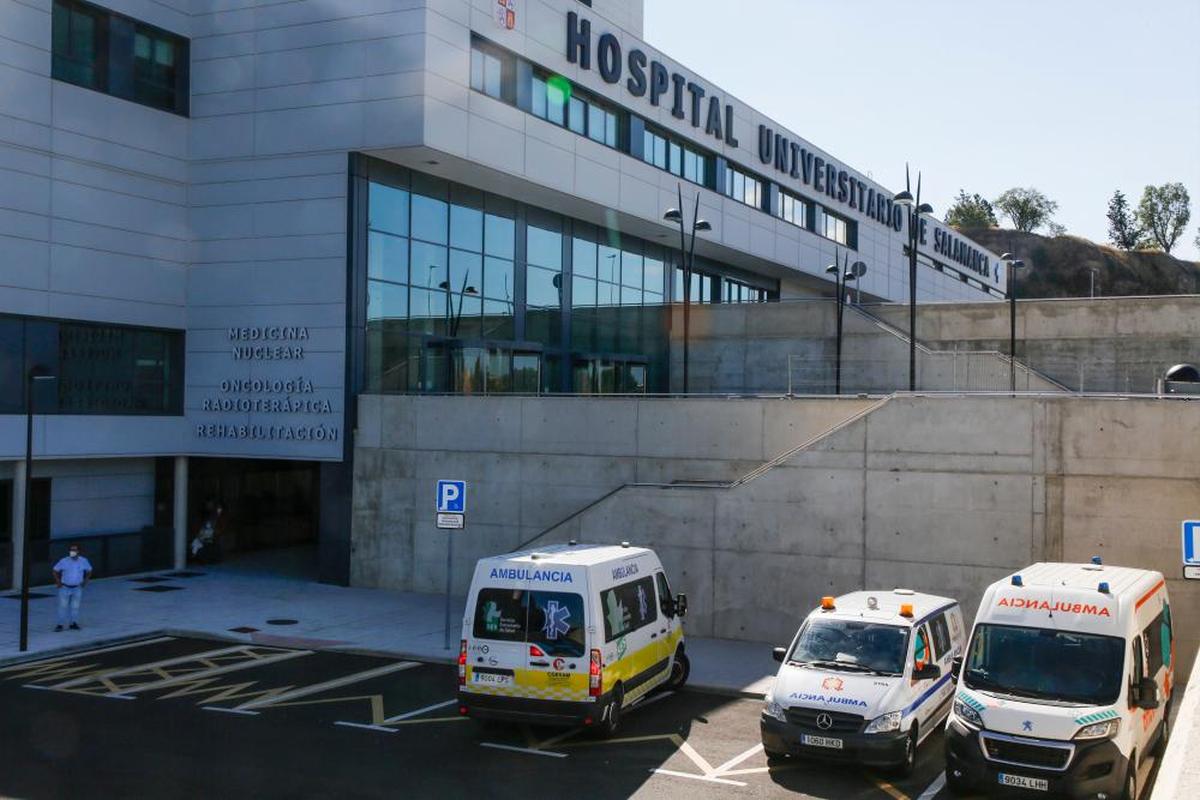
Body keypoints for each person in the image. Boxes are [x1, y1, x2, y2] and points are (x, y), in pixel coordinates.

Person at [53, 544, 93, 632]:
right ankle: (60, 624)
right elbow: (55, 570)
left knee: (75, 607)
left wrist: (85, 581)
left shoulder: (83, 561)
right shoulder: (64, 561)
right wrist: (58, 581)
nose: (72, 552)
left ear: (78, 551)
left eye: (74, 550)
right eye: (71, 550)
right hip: (65, 587)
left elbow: (89, 570)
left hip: (77, 587)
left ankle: (73, 623)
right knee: (63, 606)